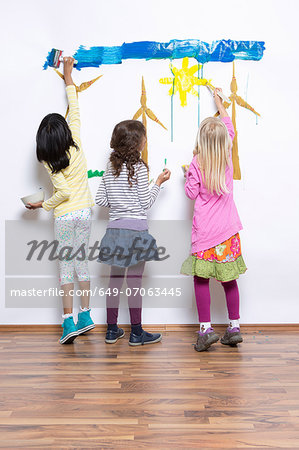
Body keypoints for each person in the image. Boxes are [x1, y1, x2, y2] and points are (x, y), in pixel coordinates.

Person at [26, 57, 95, 344]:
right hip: (85, 213)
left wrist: (43, 205)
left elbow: (63, 193)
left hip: (65, 215)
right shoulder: (75, 139)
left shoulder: (49, 160)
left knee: (65, 267)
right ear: (66, 132)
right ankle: (86, 315)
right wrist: (68, 74)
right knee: (82, 263)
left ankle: (68, 322)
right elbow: (74, 104)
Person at [181, 88, 247, 352]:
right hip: (228, 233)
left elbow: (190, 193)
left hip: (205, 235)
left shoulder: (197, 162)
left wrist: (187, 173)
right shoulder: (228, 158)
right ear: (223, 142)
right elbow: (229, 127)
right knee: (229, 281)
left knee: (201, 280)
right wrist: (219, 102)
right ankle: (234, 327)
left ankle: (206, 330)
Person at [95, 120, 171, 346]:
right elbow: (146, 202)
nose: (146, 141)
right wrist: (157, 182)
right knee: (134, 282)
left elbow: (99, 199)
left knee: (114, 283)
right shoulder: (139, 168)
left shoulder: (109, 169)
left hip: (115, 232)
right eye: (143, 138)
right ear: (136, 144)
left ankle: (111, 331)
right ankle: (136, 333)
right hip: (136, 232)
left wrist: (118, 202)